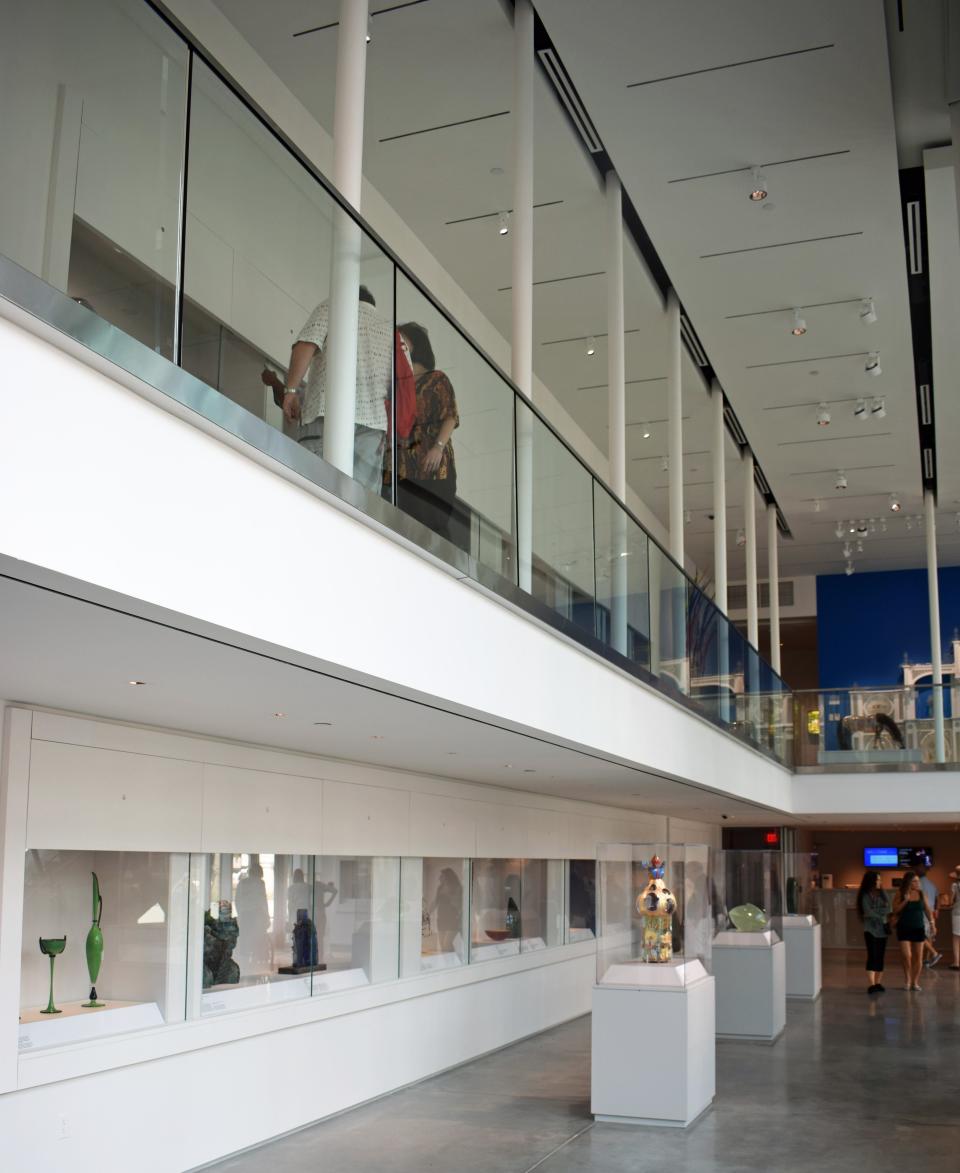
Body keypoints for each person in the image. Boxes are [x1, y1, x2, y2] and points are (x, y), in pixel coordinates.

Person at [280, 286, 392, 492]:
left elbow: (306, 344)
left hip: (327, 417)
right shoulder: (393, 333)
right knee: (359, 502)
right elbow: (400, 388)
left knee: (314, 491)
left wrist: (291, 391)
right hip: (373, 431)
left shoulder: (334, 307)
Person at [391, 322, 459, 541]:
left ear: (416, 344)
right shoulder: (400, 383)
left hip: (431, 462)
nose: (399, 344)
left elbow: (450, 415)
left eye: (404, 340)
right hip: (405, 466)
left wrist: (438, 447)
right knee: (407, 523)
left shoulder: (436, 378)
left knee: (432, 520)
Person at [891, 870, 935, 991]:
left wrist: (932, 923)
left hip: (918, 928)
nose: (917, 883)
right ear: (909, 883)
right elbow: (895, 910)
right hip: (904, 928)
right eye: (914, 881)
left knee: (918, 957)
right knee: (907, 956)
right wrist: (905, 901)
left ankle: (915, 982)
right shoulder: (900, 893)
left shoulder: (922, 894)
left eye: (918, 881)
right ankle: (907, 980)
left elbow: (927, 910)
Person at [856, 870, 890, 994]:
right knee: (872, 956)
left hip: (883, 931)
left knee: (881, 956)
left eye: (880, 880)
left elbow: (889, 908)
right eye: (878, 879)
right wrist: (881, 914)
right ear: (871, 880)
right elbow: (867, 912)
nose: (880, 882)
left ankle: (878, 982)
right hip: (870, 930)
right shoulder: (865, 895)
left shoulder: (882, 894)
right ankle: (871, 984)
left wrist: (879, 912)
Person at [914, 859, 942, 967]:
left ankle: (934, 954)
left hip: (922, 912)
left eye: (917, 867)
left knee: (920, 935)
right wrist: (936, 910)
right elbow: (937, 897)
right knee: (929, 936)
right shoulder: (932, 884)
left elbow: (919, 899)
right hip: (930, 913)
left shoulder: (918, 884)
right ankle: (927, 960)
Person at [429, 867, 464, 954]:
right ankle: (450, 963)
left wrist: (449, 896)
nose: (439, 878)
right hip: (441, 918)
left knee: (447, 944)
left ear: (447, 877)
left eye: (442, 876)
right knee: (443, 946)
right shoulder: (440, 888)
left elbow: (460, 905)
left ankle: (456, 962)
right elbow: (435, 902)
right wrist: (428, 912)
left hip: (452, 918)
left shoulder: (457, 888)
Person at [949, 866, 960, 970]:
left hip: (957, 913)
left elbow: (951, 901)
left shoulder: (955, 885)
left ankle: (957, 962)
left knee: (956, 938)